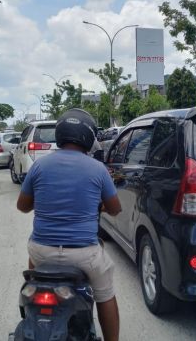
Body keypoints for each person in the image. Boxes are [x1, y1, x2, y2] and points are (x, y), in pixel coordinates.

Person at [17, 109, 122, 341]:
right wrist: (97, 206)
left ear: (60, 134)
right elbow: (115, 209)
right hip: (84, 254)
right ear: (88, 137)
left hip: (42, 251)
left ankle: (33, 293)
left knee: (33, 262)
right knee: (105, 293)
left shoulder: (39, 166)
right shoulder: (98, 169)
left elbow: (22, 207)